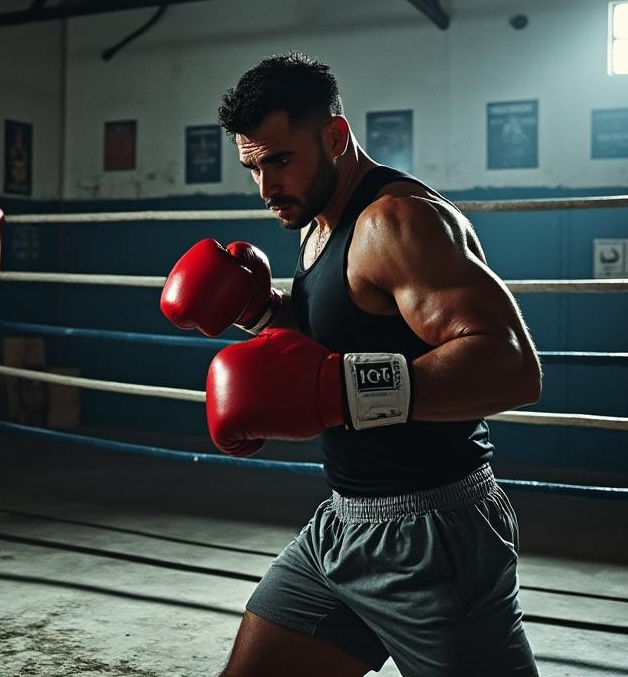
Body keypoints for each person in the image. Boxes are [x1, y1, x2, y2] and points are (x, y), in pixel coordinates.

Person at [161, 54, 542, 676]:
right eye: (252, 166)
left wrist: (344, 392)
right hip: (344, 524)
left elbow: (510, 365)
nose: (266, 186)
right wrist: (262, 312)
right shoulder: (318, 221)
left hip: (434, 537)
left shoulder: (397, 221)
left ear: (335, 136)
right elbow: (340, 343)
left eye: (280, 160)